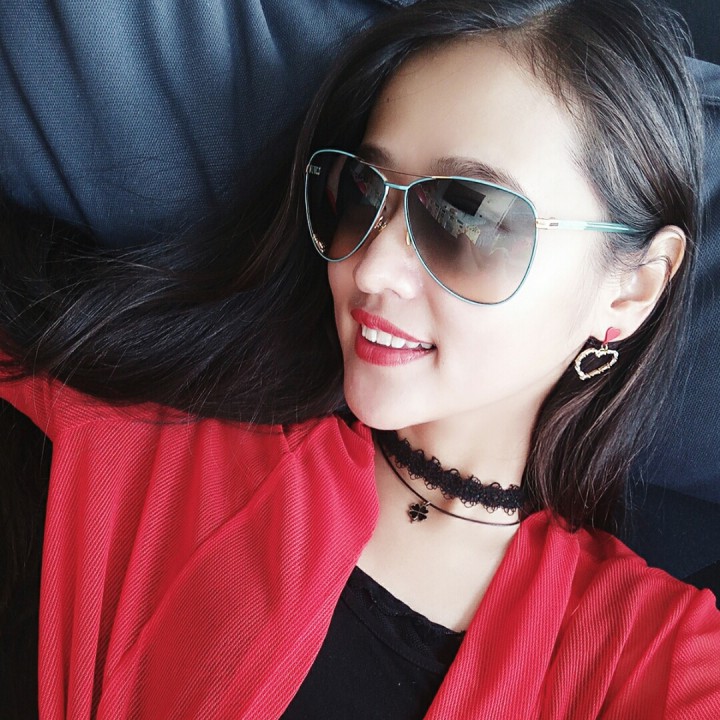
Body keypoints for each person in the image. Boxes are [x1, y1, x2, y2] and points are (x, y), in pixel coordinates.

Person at [1, 0, 719, 717]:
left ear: (632, 289)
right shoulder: (148, 442)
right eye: (363, 193)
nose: (370, 267)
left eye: (468, 217)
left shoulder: (652, 654)